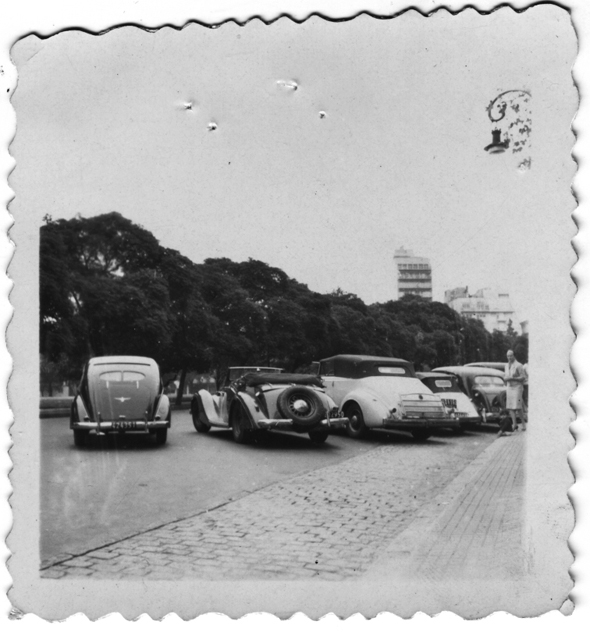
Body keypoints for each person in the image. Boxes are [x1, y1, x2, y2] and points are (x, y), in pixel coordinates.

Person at [498, 350, 526, 436]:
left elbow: (523, 377)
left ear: (514, 356)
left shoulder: (519, 365)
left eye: (511, 356)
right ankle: (515, 425)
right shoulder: (506, 366)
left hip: (517, 387)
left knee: (517, 406)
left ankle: (523, 423)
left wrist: (513, 378)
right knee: (510, 406)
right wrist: (506, 379)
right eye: (508, 356)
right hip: (509, 387)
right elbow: (506, 376)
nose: (509, 358)